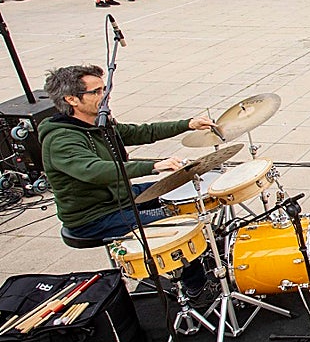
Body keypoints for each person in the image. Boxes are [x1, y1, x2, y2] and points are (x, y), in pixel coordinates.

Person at [39, 64, 216, 246]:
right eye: (97, 92)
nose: (105, 96)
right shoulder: (61, 139)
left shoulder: (97, 122)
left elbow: (140, 132)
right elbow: (94, 171)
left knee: (189, 185)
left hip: (123, 196)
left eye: (105, 89)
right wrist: (153, 166)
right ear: (72, 100)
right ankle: (192, 272)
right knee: (183, 224)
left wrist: (188, 124)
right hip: (95, 217)